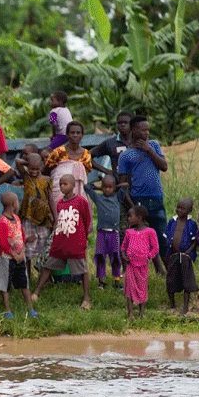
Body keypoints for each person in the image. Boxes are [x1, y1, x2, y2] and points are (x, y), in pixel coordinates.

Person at [32, 174, 93, 310]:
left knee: (82, 270)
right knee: (48, 266)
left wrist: (84, 238)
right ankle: (36, 292)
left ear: (73, 185)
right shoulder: (59, 203)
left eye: (65, 184)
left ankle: (87, 298)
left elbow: (86, 220)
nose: (62, 187)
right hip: (60, 242)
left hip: (75, 243)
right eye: (60, 184)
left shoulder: (81, 201)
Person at [118, 115, 168, 274]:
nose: (147, 133)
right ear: (133, 130)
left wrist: (149, 150)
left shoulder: (154, 145)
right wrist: (131, 204)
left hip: (157, 199)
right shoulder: (126, 155)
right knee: (142, 238)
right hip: (139, 200)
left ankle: (169, 271)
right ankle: (148, 270)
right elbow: (123, 183)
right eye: (143, 129)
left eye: (148, 129)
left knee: (161, 237)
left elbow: (164, 166)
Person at [0, 192, 36, 318]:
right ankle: (7, 310)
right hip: (7, 258)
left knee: (24, 282)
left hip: (20, 257)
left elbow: (21, 235)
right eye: (17, 201)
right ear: (14, 204)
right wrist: (14, 254)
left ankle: (30, 309)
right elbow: (2, 242)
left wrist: (22, 252)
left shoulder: (16, 218)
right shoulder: (2, 221)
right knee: (5, 284)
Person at [83, 175, 126, 289]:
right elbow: (86, 187)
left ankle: (117, 282)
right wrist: (98, 185)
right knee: (100, 256)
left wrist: (117, 186)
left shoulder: (117, 197)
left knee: (115, 257)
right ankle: (101, 282)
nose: (107, 189)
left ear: (114, 188)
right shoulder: (98, 198)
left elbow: (126, 186)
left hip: (114, 233)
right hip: (102, 233)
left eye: (110, 187)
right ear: (102, 188)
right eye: (105, 187)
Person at [15, 153, 53, 282]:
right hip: (28, 217)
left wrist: (56, 216)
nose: (34, 171)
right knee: (28, 249)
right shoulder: (26, 177)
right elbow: (18, 162)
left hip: (43, 218)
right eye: (32, 169)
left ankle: (45, 278)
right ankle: (27, 277)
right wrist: (29, 162)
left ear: (41, 166)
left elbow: (50, 199)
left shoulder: (47, 180)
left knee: (44, 247)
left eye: (37, 168)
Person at [121, 205, 159, 319]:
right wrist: (124, 256)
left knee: (142, 287)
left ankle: (142, 313)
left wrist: (148, 256)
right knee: (129, 288)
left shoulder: (150, 232)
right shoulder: (129, 232)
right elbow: (123, 247)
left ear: (140, 217)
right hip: (130, 265)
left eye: (130, 216)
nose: (128, 218)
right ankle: (130, 313)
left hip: (143, 265)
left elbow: (155, 248)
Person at [163, 197, 198, 314]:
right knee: (171, 279)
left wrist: (188, 252)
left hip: (185, 256)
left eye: (183, 208)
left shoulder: (192, 224)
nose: (179, 210)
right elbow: (166, 237)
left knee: (186, 280)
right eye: (178, 207)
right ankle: (172, 303)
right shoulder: (172, 222)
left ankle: (185, 306)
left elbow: (195, 241)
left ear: (190, 210)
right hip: (172, 255)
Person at [44, 121, 91, 206]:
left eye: (78, 133)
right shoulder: (58, 152)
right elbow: (47, 168)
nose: (75, 135)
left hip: (77, 192)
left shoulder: (86, 154)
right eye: (72, 133)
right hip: (58, 189)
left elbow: (84, 173)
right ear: (67, 135)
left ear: (82, 135)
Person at [89, 111, 133, 177]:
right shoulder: (110, 143)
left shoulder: (139, 141)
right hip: (118, 184)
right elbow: (87, 156)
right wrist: (106, 171)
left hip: (138, 184)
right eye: (120, 123)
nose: (122, 125)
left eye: (126, 122)